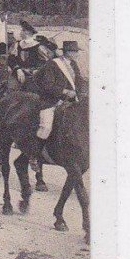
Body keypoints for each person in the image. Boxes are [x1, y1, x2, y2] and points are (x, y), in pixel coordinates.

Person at [29, 40, 86, 171]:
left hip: (70, 102)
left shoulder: (73, 65)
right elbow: (47, 85)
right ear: (68, 52)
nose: (77, 54)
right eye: (75, 52)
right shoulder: (53, 64)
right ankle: (34, 156)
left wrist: (80, 92)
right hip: (51, 101)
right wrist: (64, 91)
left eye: (77, 52)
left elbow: (79, 82)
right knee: (45, 127)